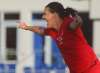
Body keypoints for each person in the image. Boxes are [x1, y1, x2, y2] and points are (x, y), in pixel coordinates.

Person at [18, 2, 100, 73]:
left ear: (55, 15)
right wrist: (26, 27)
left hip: (92, 69)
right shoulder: (52, 31)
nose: (43, 17)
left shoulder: (68, 22)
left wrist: (76, 18)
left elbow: (76, 23)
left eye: (45, 14)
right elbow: (40, 30)